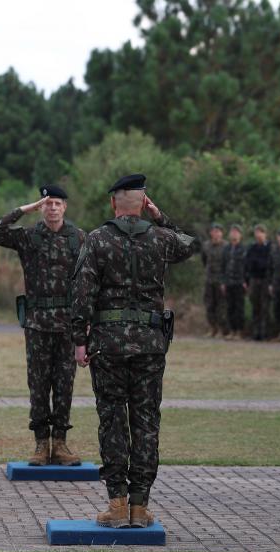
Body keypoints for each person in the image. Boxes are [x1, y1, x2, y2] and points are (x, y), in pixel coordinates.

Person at [72, 174, 197, 528]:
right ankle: (140, 507)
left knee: (112, 420)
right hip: (150, 346)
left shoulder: (97, 239)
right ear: (144, 204)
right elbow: (190, 245)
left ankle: (117, 505)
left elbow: (81, 293)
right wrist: (161, 217)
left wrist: (79, 341)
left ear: (114, 203)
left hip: (108, 346)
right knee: (146, 421)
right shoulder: (161, 238)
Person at [0, 185, 85, 467]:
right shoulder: (29, 237)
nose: (52, 208)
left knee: (64, 385)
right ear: (41, 207)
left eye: (57, 203)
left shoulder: (78, 238)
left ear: (65, 207)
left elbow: (89, 282)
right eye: (47, 203)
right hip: (37, 324)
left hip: (67, 325)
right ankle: (41, 443)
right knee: (38, 385)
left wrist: (85, 323)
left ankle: (60, 443)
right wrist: (23, 210)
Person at [245, 224, 272, 341]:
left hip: (265, 279)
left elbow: (269, 264)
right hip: (254, 280)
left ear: (265, 234)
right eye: (256, 233)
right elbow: (248, 263)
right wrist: (246, 280)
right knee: (255, 307)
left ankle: (265, 332)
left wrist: (259, 264)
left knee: (265, 307)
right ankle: (256, 332)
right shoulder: (252, 247)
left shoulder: (270, 247)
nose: (258, 235)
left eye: (260, 233)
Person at [200, 223, 227, 337]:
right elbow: (204, 260)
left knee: (221, 305)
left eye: (218, 231)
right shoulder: (206, 245)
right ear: (211, 233)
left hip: (221, 280)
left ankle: (222, 329)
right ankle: (213, 328)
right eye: (214, 231)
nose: (216, 234)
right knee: (209, 304)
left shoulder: (226, 246)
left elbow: (227, 263)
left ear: (222, 233)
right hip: (209, 279)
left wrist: (225, 280)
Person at [221, 224, 246, 340]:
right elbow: (223, 266)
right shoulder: (226, 249)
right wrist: (223, 282)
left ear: (240, 235)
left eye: (236, 232)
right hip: (228, 282)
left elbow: (246, 267)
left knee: (239, 308)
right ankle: (232, 330)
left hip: (239, 282)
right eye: (232, 232)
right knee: (230, 308)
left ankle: (239, 331)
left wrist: (246, 280)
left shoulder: (244, 249)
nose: (234, 234)